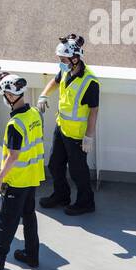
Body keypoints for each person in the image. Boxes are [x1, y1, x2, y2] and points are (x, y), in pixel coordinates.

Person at [0, 74, 44, 270]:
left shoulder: (15, 124)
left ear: (11, 96)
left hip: (17, 180)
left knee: (6, 221)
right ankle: (32, 255)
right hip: (33, 176)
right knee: (29, 216)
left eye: (5, 94)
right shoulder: (35, 114)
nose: (4, 98)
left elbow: (13, 156)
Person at [38, 34, 99, 215]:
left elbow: (94, 111)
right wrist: (44, 94)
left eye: (63, 60)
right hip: (61, 128)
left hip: (77, 136)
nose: (60, 63)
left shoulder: (90, 82)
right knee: (55, 164)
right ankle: (61, 196)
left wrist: (89, 137)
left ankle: (86, 203)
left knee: (78, 171)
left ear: (75, 58)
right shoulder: (66, 70)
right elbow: (55, 81)